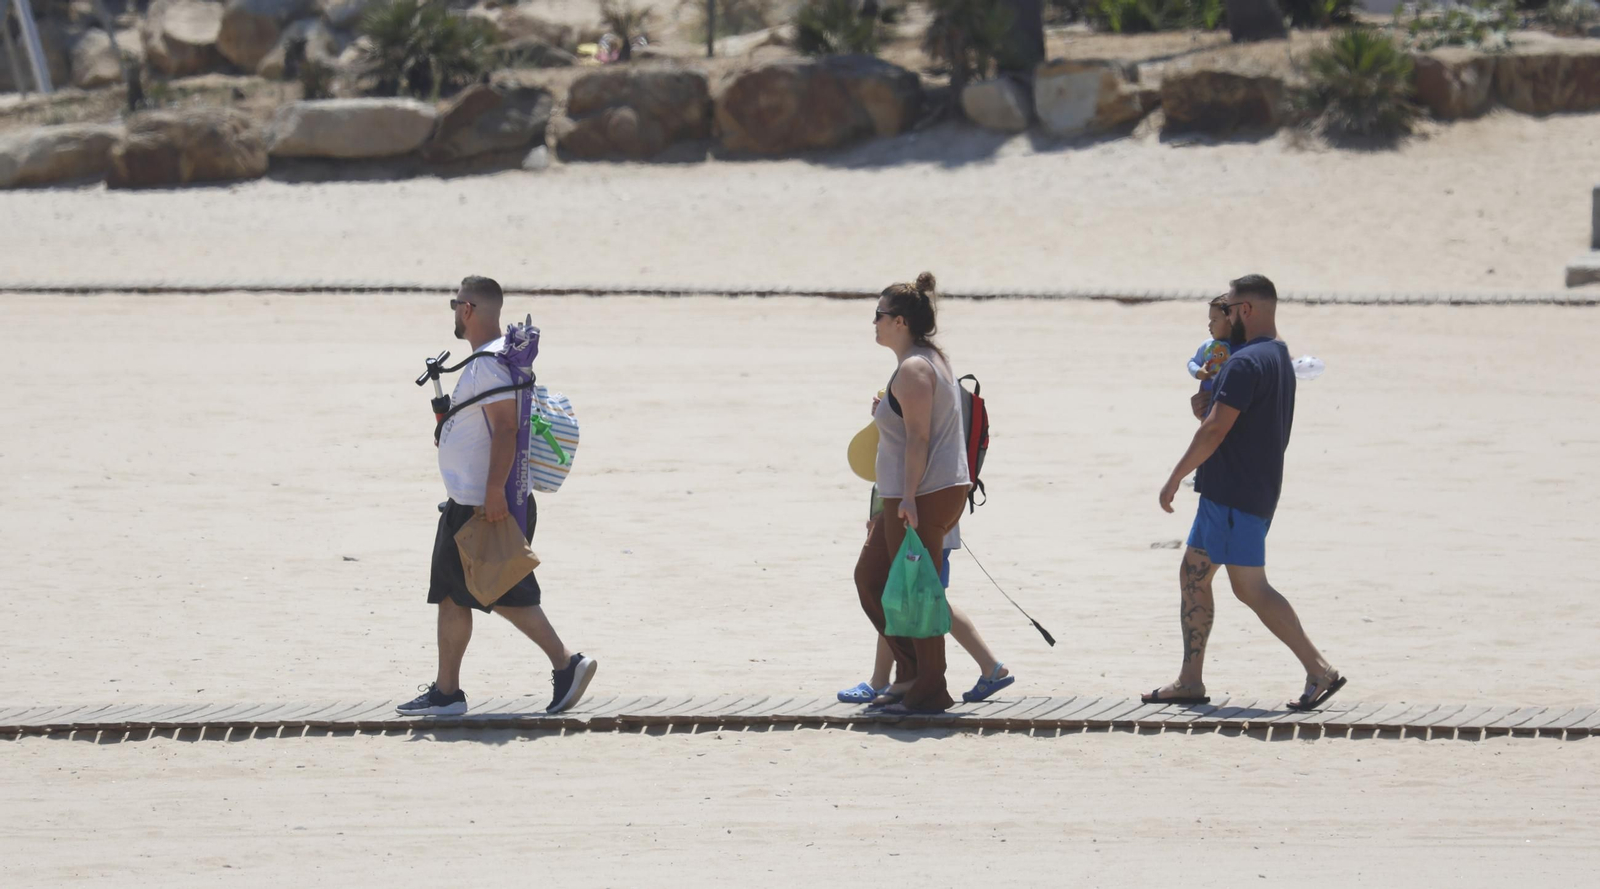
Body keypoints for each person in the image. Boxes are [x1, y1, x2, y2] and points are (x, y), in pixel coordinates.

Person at [397, 276, 597, 717]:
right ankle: (446, 692)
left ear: (467, 309)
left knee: (505, 593)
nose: (454, 313)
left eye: (454, 304)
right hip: (470, 500)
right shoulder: (492, 360)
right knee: (453, 593)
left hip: (483, 503)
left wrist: (492, 493)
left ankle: (567, 664)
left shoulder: (488, 364)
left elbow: (506, 428)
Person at [1147, 275, 1346, 712]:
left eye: (1230, 308)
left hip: (1234, 493)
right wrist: (1207, 400)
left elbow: (1216, 428)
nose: (1223, 316)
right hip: (1248, 488)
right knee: (1199, 576)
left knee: (1248, 587)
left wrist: (1174, 476)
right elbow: (1225, 415)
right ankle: (1190, 680)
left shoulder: (1244, 363)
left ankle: (1319, 669)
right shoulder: (1275, 354)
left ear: (1247, 311)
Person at [854, 272, 972, 714]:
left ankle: (929, 687)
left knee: (918, 590)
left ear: (900, 321)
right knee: (872, 577)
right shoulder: (918, 362)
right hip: (911, 491)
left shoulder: (916, 367)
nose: (875, 323)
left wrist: (904, 499)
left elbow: (920, 439)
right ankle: (908, 675)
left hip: (924, 492)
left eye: (880, 316)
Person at [1186, 295, 1233, 395]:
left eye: (1214, 320)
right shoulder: (1208, 345)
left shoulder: (1240, 345)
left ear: (1230, 321)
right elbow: (1193, 362)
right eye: (1210, 320)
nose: (1209, 325)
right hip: (1207, 397)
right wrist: (1198, 372)